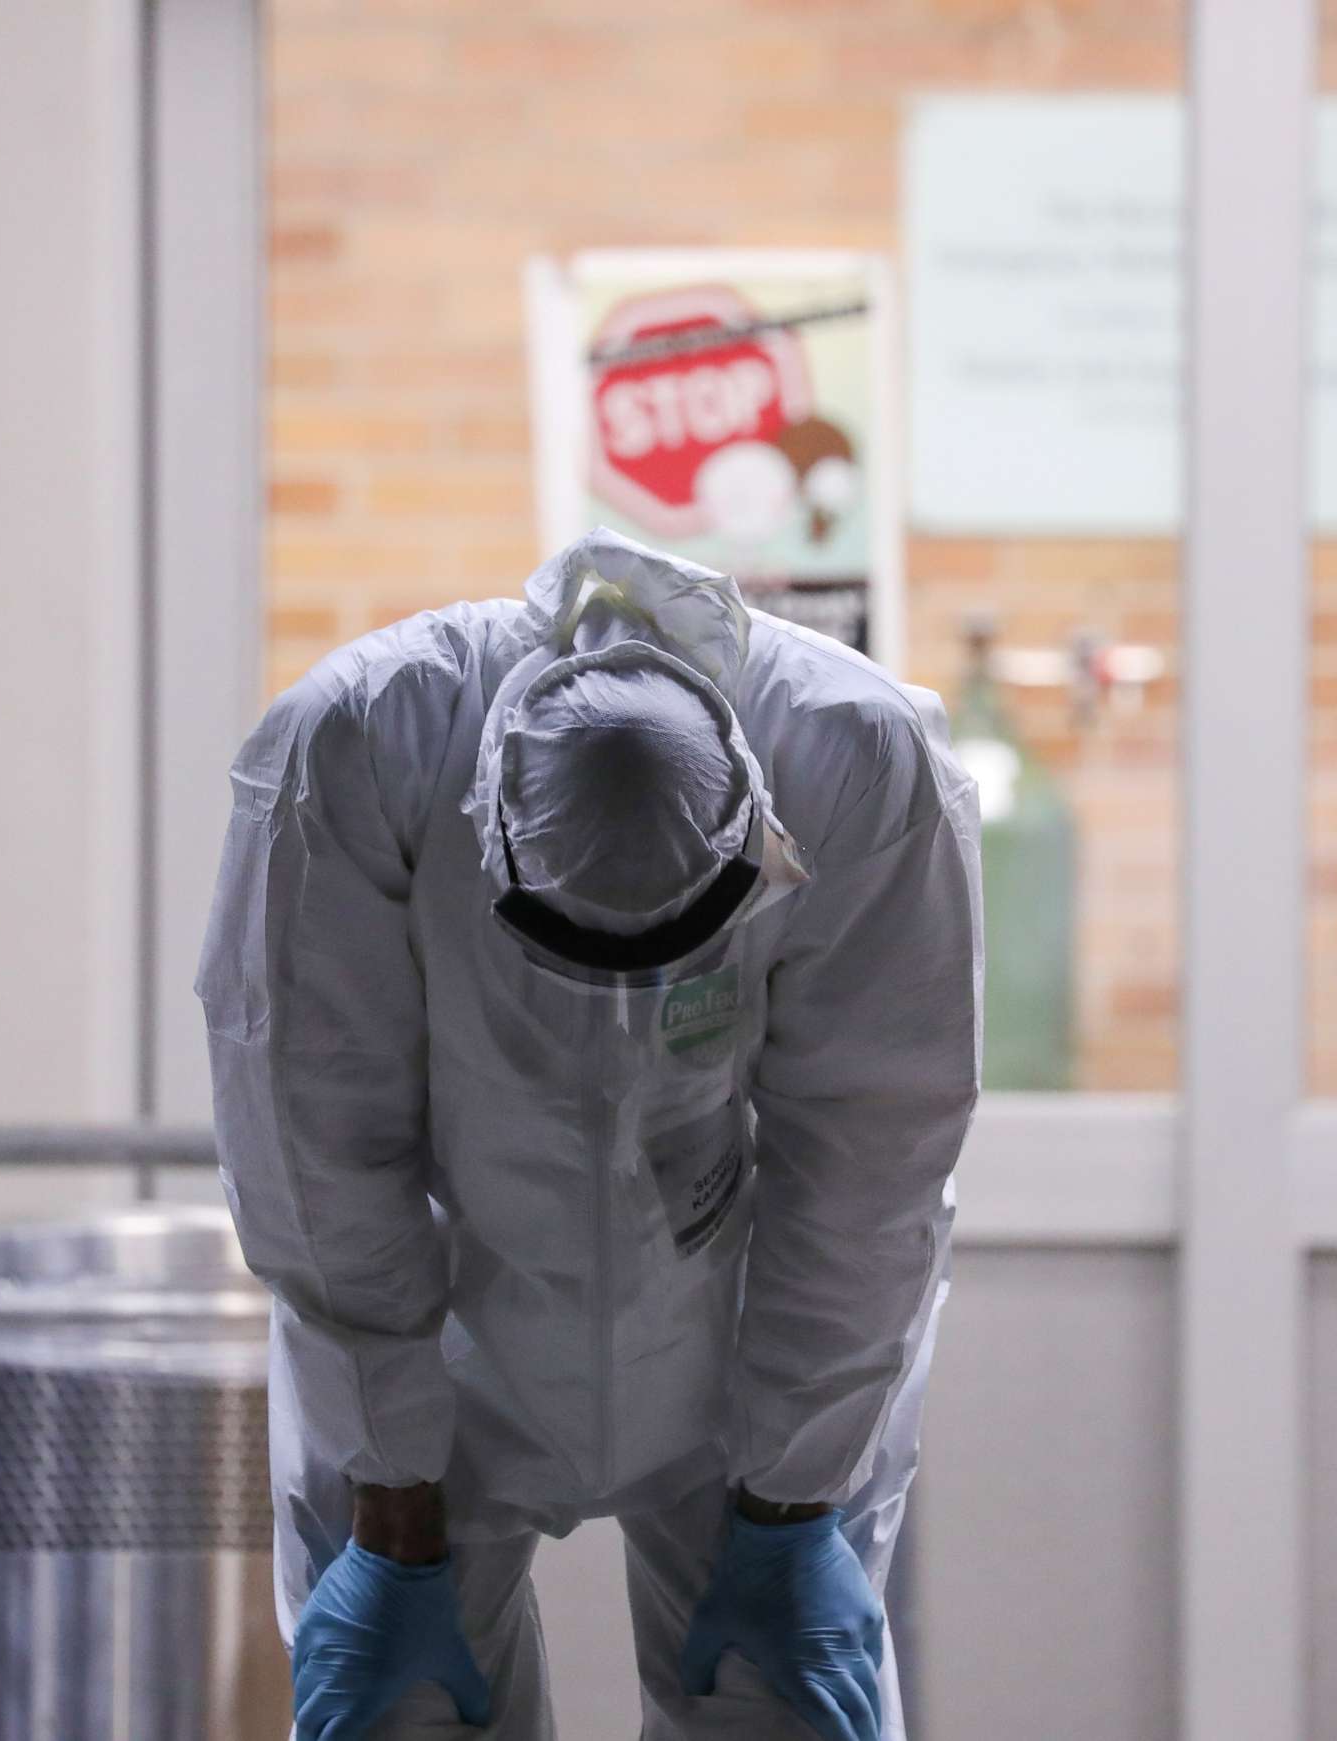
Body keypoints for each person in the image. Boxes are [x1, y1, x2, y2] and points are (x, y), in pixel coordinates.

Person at [198, 529, 981, 1741]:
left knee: (774, 1705)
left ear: (756, 832)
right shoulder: (354, 749)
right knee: (408, 1707)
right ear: (485, 838)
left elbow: (873, 1156)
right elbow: (317, 1150)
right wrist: (394, 1504)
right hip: (444, 1323)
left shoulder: (856, 757)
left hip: (739, 1328)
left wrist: (791, 1501)